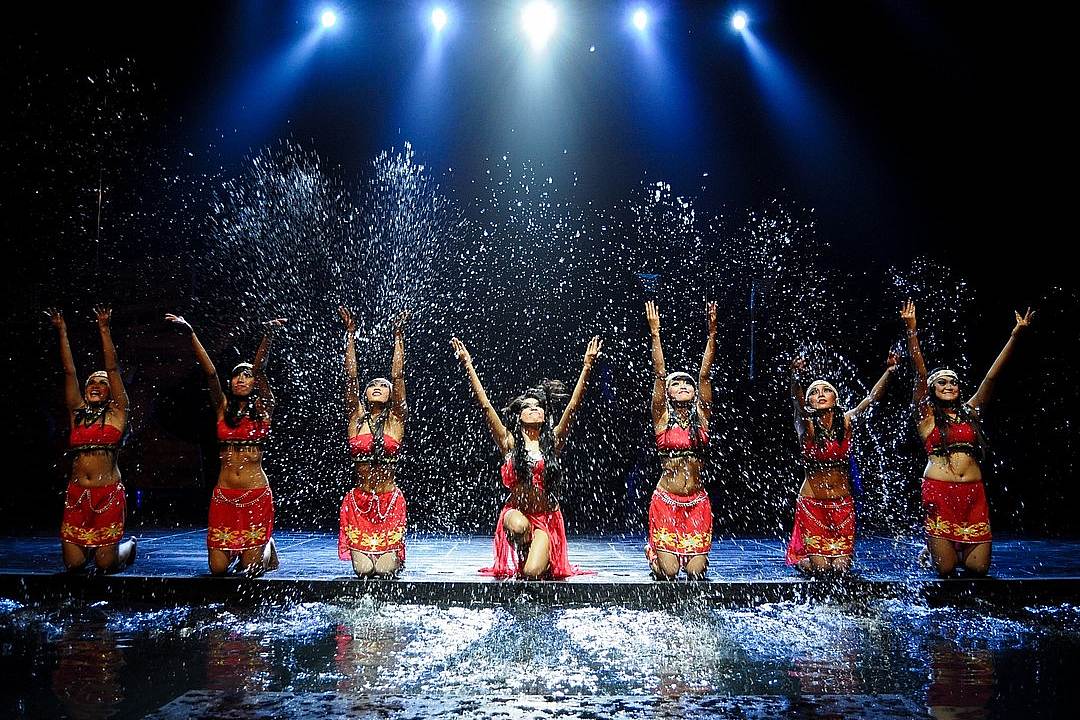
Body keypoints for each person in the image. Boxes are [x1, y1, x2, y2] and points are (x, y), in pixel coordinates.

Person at [901, 300, 1034, 577]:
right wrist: (911, 330)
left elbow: (991, 378)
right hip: (939, 492)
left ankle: (949, 547)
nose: (949, 385)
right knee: (947, 569)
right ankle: (936, 548)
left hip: (973, 495)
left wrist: (1015, 335)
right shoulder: (926, 417)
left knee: (977, 568)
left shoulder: (971, 412)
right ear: (932, 389)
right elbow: (920, 373)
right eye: (942, 382)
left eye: (953, 382)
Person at [452, 334, 602, 579]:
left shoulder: (553, 441)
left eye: (538, 406)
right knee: (519, 525)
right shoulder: (508, 441)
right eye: (527, 406)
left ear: (544, 414)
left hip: (546, 517)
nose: (534, 408)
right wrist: (468, 364)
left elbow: (573, 406)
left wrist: (587, 367)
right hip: (516, 512)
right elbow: (485, 405)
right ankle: (526, 545)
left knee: (532, 572)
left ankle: (537, 553)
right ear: (519, 415)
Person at [165, 313, 284, 576]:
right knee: (217, 569)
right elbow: (209, 373)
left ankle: (266, 546)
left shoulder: (264, 407)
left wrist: (268, 336)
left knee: (249, 569)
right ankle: (251, 549)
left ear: (255, 382)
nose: (241, 379)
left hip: (255, 493)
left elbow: (260, 369)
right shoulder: (222, 407)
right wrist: (191, 333)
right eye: (236, 376)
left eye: (246, 376)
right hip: (224, 495)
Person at [785, 353, 897, 573]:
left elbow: (871, 400)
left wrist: (889, 372)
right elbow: (797, 403)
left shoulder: (846, 422)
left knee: (840, 568)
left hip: (842, 506)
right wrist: (795, 377)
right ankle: (803, 560)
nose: (820, 394)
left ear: (835, 398)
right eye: (814, 392)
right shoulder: (806, 426)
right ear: (809, 402)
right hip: (813, 505)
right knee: (821, 568)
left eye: (826, 390)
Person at [48, 306, 137, 572]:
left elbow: (112, 367)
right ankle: (91, 548)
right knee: (74, 565)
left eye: (102, 383)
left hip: (107, 493)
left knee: (105, 564)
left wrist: (104, 329)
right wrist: (62, 332)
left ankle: (127, 547)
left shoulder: (118, 413)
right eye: (91, 383)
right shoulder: (77, 413)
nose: (95, 385)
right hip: (77, 495)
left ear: (111, 391)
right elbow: (69, 371)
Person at [643, 300, 716, 580]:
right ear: (668, 393)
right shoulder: (661, 417)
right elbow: (659, 374)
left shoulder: (702, 417)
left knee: (696, 572)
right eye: (677, 383)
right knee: (670, 572)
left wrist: (712, 335)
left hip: (697, 502)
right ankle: (655, 555)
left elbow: (705, 374)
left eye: (687, 383)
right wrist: (655, 333)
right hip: (666, 501)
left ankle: (687, 556)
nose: (683, 385)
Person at [337, 307, 409, 578]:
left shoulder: (396, 420)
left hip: (389, 501)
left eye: (383, 385)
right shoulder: (356, 418)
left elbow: (398, 376)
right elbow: (351, 377)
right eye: (372, 385)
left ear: (391, 395)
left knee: (384, 570)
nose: (377, 387)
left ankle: (394, 555)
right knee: (364, 570)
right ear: (365, 394)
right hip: (360, 502)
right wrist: (350, 335)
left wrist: (398, 336)